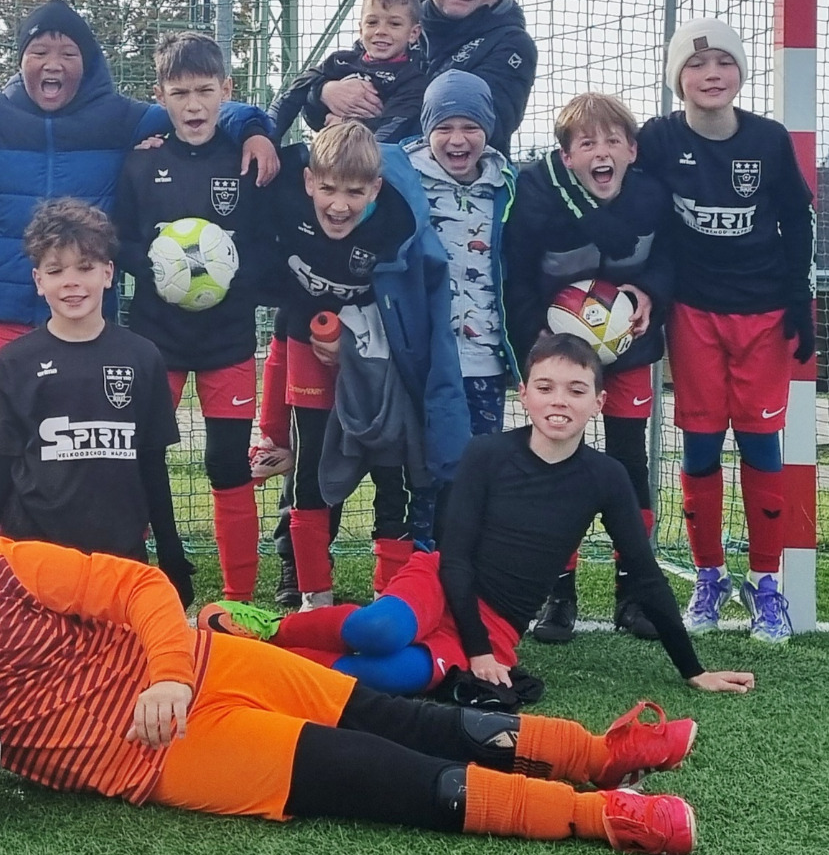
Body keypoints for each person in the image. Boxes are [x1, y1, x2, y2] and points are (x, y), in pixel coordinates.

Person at [0, 502, 703, 855]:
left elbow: (139, 588)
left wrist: (168, 672)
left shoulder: (1, 565)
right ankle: (601, 817)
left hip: (209, 666)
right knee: (400, 780)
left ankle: (596, 753)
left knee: (407, 719)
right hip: (165, 755)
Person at [203, 334, 756, 707]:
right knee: (378, 632)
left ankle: (253, 665)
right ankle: (271, 630)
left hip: (499, 625)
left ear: (598, 402)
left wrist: (693, 670)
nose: (559, 401)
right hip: (442, 583)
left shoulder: (606, 477)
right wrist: (477, 653)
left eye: (576, 390)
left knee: (391, 676)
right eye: (546, 387)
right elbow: (457, 559)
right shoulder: (487, 454)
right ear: (525, 395)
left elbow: (645, 574)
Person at [0, 0, 277, 403]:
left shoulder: (121, 117)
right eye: (39, 52)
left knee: (78, 436)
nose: (53, 64)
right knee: (7, 438)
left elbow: (197, 109)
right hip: (3, 313)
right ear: (21, 60)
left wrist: (253, 129)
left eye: (68, 54)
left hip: (87, 313)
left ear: (88, 62)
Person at [636, 19, 816, 643]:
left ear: (741, 72)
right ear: (677, 78)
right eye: (696, 64)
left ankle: (766, 583)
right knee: (701, 447)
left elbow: (797, 220)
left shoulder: (768, 139)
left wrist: (800, 301)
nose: (711, 74)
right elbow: (634, 207)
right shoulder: (658, 138)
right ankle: (709, 578)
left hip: (764, 315)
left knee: (762, 446)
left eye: (724, 62)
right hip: (693, 313)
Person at [249, 122, 471, 609]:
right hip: (305, 340)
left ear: (375, 188)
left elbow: (418, 306)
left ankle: (390, 594)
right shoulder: (280, 193)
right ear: (308, 181)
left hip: (378, 355)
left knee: (391, 472)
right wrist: (249, 131)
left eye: (354, 192)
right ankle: (313, 595)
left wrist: (355, 341)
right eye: (328, 189)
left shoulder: (398, 222)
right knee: (310, 470)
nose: (338, 205)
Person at [505, 93, 674, 644]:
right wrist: (535, 339)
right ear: (567, 156)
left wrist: (649, 293)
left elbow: (671, 258)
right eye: (586, 143)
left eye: (612, 141)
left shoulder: (652, 195)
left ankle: (635, 591)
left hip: (630, 351)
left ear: (632, 150)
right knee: (555, 457)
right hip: (558, 353)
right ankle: (557, 592)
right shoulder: (535, 195)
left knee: (629, 462)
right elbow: (515, 273)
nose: (601, 152)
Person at [0, 199, 193, 603]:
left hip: (121, 560)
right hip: (37, 560)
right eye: (56, 271)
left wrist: (170, 550)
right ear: (38, 280)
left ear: (108, 273)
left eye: (85, 267)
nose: (71, 282)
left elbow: (152, 464)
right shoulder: (16, 361)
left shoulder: (142, 357)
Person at [115, 31, 267, 601]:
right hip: (156, 338)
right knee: (140, 456)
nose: (194, 105)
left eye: (205, 90)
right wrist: (159, 266)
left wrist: (230, 275)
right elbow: (119, 241)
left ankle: (239, 600)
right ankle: (143, 584)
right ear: (161, 97)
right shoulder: (140, 164)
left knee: (227, 462)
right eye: (180, 93)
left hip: (229, 339)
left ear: (227, 90)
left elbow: (269, 244)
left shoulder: (248, 161)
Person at [284, 0, 538, 154]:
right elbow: (317, 113)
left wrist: (358, 127)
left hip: (459, 185)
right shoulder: (397, 21)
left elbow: (478, 126)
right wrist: (324, 92)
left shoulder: (511, 44)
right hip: (366, 175)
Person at [400, 71, 515, 440]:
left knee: (479, 461)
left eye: (470, 127)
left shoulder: (507, 187)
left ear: (488, 128)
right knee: (421, 461)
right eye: (444, 128)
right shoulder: (401, 180)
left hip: (484, 359)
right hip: (423, 358)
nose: (457, 139)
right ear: (426, 131)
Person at [272, 0, 429, 144]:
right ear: (360, 29)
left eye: (394, 24)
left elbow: (390, 134)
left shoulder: (412, 81)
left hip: (370, 156)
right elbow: (295, 92)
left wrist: (346, 126)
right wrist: (266, 136)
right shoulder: (340, 61)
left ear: (413, 33)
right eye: (372, 22)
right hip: (324, 151)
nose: (381, 31)